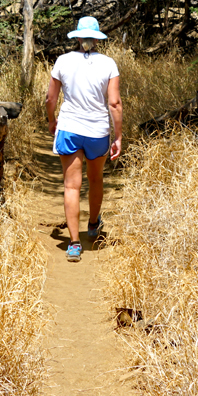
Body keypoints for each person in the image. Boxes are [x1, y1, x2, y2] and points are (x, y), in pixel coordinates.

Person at [45, 16, 123, 261]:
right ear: (97, 38)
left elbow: (50, 99)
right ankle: (92, 225)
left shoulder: (63, 61)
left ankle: (74, 244)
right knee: (96, 179)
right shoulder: (109, 64)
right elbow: (114, 103)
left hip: (69, 129)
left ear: (78, 37)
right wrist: (118, 136)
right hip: (97, 131)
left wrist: (51, 120)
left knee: (71, 186)